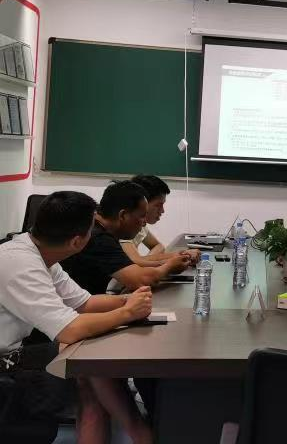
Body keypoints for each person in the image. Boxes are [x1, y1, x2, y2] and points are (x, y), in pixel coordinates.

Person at [0, 191, 154, 444]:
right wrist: (127, 312)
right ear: (77, 242)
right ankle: (141, 434)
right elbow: (70, 329)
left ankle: (139, 433)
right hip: (6, 361)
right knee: (89, 359)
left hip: (15, 352)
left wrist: (129, 300)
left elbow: (85, 303)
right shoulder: (20, 264)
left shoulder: (41, 254)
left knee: (92, 367)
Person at [61, 180, 191, 295]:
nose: (144, 223)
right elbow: (140, 280)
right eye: (142, 216)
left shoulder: (100, 227)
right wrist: (169, 266)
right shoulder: (99, 238)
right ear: (123, 215)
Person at [121, 175, 198, 268]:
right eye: (158, 205)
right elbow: (135, 262)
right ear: (143, 203)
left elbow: (158, 246)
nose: (162, 211)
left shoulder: (140, 225)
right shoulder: (123, 226)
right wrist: (179, 257)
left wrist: (146, 260)